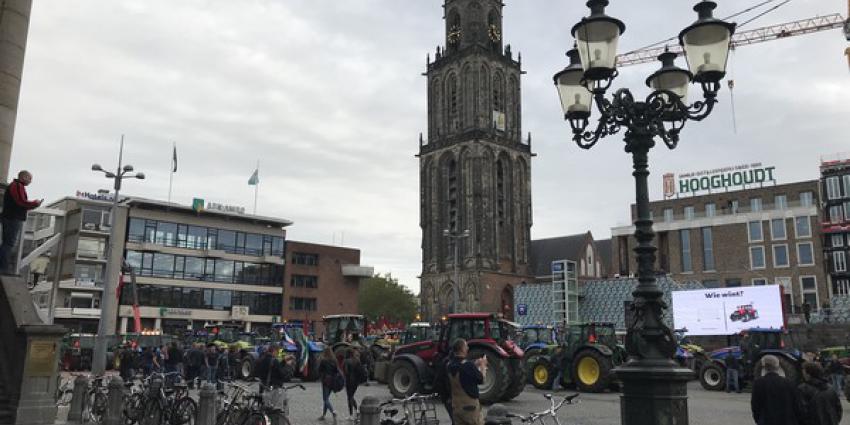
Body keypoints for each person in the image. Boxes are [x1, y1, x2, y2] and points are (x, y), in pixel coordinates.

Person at [0, 170, 42, 274]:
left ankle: (4, 267)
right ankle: (3, 268)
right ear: (23, 177)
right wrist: (34, 203)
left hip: (10, 217)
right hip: (12, 218)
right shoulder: (17, 185)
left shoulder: (16, 185)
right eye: (29, 178)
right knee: (9, 243)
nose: (30, 181)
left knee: (7, 243)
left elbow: (20, 202)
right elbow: (20, 202)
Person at [750, 355, 803, 425]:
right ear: (777, 367)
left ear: (764, 367)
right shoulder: (789, 383)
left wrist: (759, 420)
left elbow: (755, 406)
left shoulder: (758, 384)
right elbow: (796, 405)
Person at [448, 339, 486, 425]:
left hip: (456, 406)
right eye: (466, 346)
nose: (468, 348)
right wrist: (482, 366)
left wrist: (474, 365)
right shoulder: (468, 366)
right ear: (462, 349)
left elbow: (462, 369)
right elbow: (481, 379)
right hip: (470, 407)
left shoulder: (449, 365)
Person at [342, 348, 365, 420]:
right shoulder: (357, 360)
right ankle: (357, 410)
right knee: (351, 396)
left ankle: (351, 415)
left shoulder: (346, 361)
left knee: (349, 397)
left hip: (349, 381)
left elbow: (346, 372)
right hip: (356, 382)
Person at [317, 346, 338, 422]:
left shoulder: (324, 361)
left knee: (325, 399)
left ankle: (333, 412)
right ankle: (323, 415)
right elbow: (336, 371)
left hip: (326, 381)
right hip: (332, 381)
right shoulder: (334, 360)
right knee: (326, 399)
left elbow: (319, 370)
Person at [432, 353, 454, 425]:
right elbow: (446, 382)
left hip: (447, 395)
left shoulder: (445, 362)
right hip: (448, 395)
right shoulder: (448, 364)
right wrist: (449, 397)